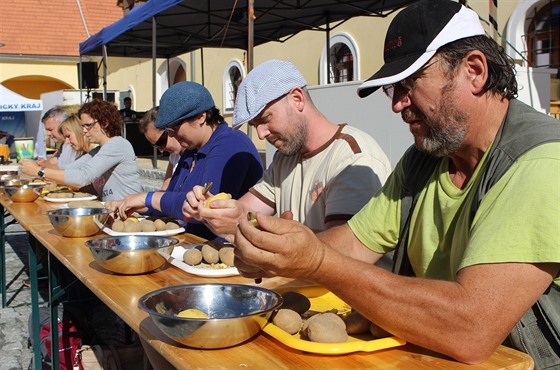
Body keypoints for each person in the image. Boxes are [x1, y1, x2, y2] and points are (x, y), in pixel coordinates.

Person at [230, 1, 560, 368]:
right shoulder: (425, 159)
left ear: (474, 71)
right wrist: (281, 251)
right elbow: (354, 244)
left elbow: (470, 328)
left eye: (410, 82)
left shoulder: (542, 160)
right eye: (393, 88)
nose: (398, 104)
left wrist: (316, 261)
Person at [183, 59, 392, 239]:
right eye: (255, 126)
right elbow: (245, 210)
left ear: (297, 99)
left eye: (265, 119)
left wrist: (259, 231)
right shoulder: (285, 158)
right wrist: (212, 210)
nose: (261, 134)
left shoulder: (352, 158)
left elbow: (343, 255)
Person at [111, 81, 263, 240]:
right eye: (168, 130)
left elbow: (202, 207)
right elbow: (171, 199)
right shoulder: (191, 150)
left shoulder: (230, 143)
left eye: (173, 128)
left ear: (201, 117)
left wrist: (147, 198)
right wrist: (134, 204)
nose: (171, 136)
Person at [20, 99, 142, 201]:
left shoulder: (117, 144)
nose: (83, 131)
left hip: (132, 216)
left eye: (88, 125)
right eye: (83, 126)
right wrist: (41, 171)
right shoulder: (100, 150)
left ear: (104, 123)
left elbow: (82, 177)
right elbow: (69, 170)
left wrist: (39, 171)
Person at [137, 106, 183, 190]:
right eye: (156, 146)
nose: (161, 150)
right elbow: (165, 189)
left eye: (161, 143)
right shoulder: (174, 156)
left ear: (171, 129)